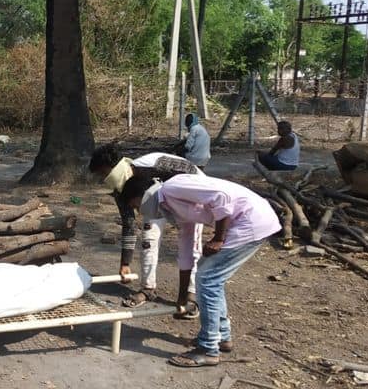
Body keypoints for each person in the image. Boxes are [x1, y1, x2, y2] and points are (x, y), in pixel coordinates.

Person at [121, 173, 280, 367]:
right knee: (209, 277)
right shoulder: (171, 206)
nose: (138, 211)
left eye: (135, 205)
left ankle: (208, 349)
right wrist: (182, 298)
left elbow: (222, 196)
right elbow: (186, 249)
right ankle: (221, 337)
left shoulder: (172, 188)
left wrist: (219, 238)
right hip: (245, 222)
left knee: (208, 279)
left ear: (141, 195)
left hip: (251, 220)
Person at [89, 144, 203, 319]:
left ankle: (191, 295)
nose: (103, 180)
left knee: (190, 246)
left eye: (103, 174)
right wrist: (125, 264)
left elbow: (189, 171)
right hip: (157, 201)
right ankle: (148, 288)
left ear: (114, 168)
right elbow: (129, 224)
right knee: (148, 238)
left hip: (191, 197)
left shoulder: (153, 164)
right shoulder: (121, 190)